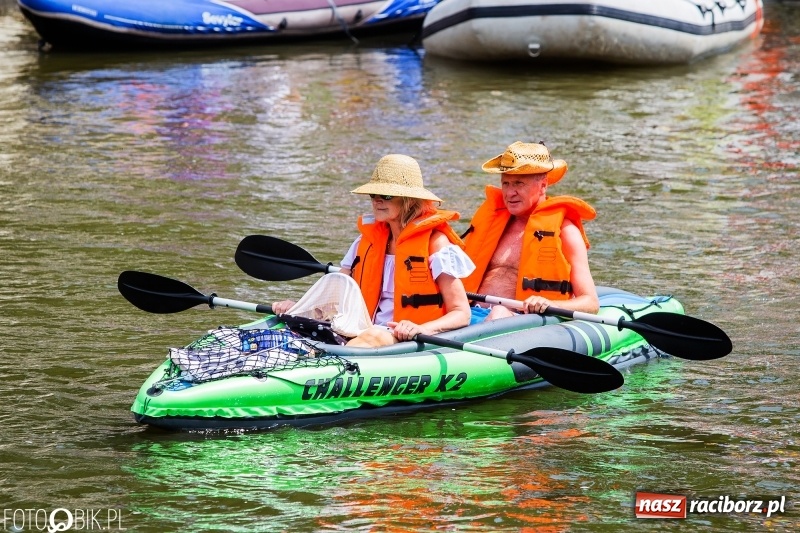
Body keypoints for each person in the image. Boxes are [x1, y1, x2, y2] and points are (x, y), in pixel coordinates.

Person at [273, 154, 475, 346]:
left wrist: (421, 328)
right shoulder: (365, 242)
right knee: (290, 326)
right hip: (357, 329)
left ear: (410, 200)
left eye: (386, 195)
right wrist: (299, 309)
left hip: (400, 338)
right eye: (373, 194)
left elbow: (461, 313)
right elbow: (335, 299)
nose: (377, 200)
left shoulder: (436, 244)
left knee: (374, 335)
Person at [461, 141, 599, 323]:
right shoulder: (493, 224)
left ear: (543, 185)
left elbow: (591, 303)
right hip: (468, 313)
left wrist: (549, 303)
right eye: (506, 184)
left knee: (499, 313)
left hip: (516, 320)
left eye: (518, 183)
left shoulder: (565, 232)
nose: (510, 193)